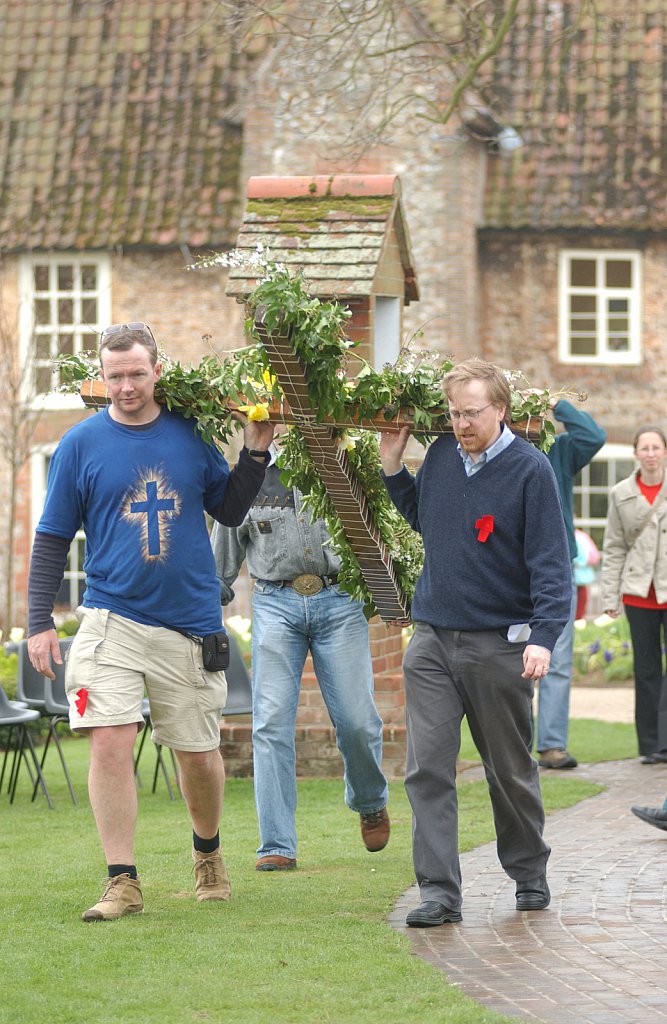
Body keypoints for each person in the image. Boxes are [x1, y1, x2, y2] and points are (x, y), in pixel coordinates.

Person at [27, 322, 274, 921]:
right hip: (110, 617)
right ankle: (122, 880)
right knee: (109, 738)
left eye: (137, 374)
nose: (126, 387)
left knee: (198, 754)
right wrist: (38, 621)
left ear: (157, 370)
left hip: (187, 622)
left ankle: (207, 853)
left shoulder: (190, 434)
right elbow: (53, 535)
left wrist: (255, 452)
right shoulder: (80, 445)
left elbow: (228, 508)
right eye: (115, 377)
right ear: (102, 377)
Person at [379, 358, 571, 928]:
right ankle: (439, 893)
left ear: (501, 409)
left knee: (508, 770)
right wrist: (393, 468)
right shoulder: (441, 456)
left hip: (500, 646)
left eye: (472, 413)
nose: (460, 424)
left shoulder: (531, 470)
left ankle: (529, 872)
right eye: (454, 414)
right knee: (427, 771)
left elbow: (551, 565)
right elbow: (428, 521)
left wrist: (543, 638)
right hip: (432, 642)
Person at [210, 440, 389, 872]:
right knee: (270, 722)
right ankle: (276, 843)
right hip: (275, 603)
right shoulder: (250, 478)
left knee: (357, 720)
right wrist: (199, 614)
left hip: (340, 599)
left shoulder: (342, 466)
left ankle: (369, 801)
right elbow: (220, 563)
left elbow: (381, 533)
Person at [535, 398, 606, 770]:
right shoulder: (495, 449)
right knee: (506, 662)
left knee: (557, 660)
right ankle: (512, 748)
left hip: (557, 565)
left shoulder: (558, 450)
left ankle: (551, 746)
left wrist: (557, 405)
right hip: (509, 568)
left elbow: (594, 436)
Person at [600, 424, 667, 765]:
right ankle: (652, 745)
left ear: (665, 452)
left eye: (656, 447)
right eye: (645, 448)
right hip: (639, 595)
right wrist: (609, 597)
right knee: (646, 669)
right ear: (636, 453)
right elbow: (614, 548)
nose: (651, 454)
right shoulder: (621, 493)